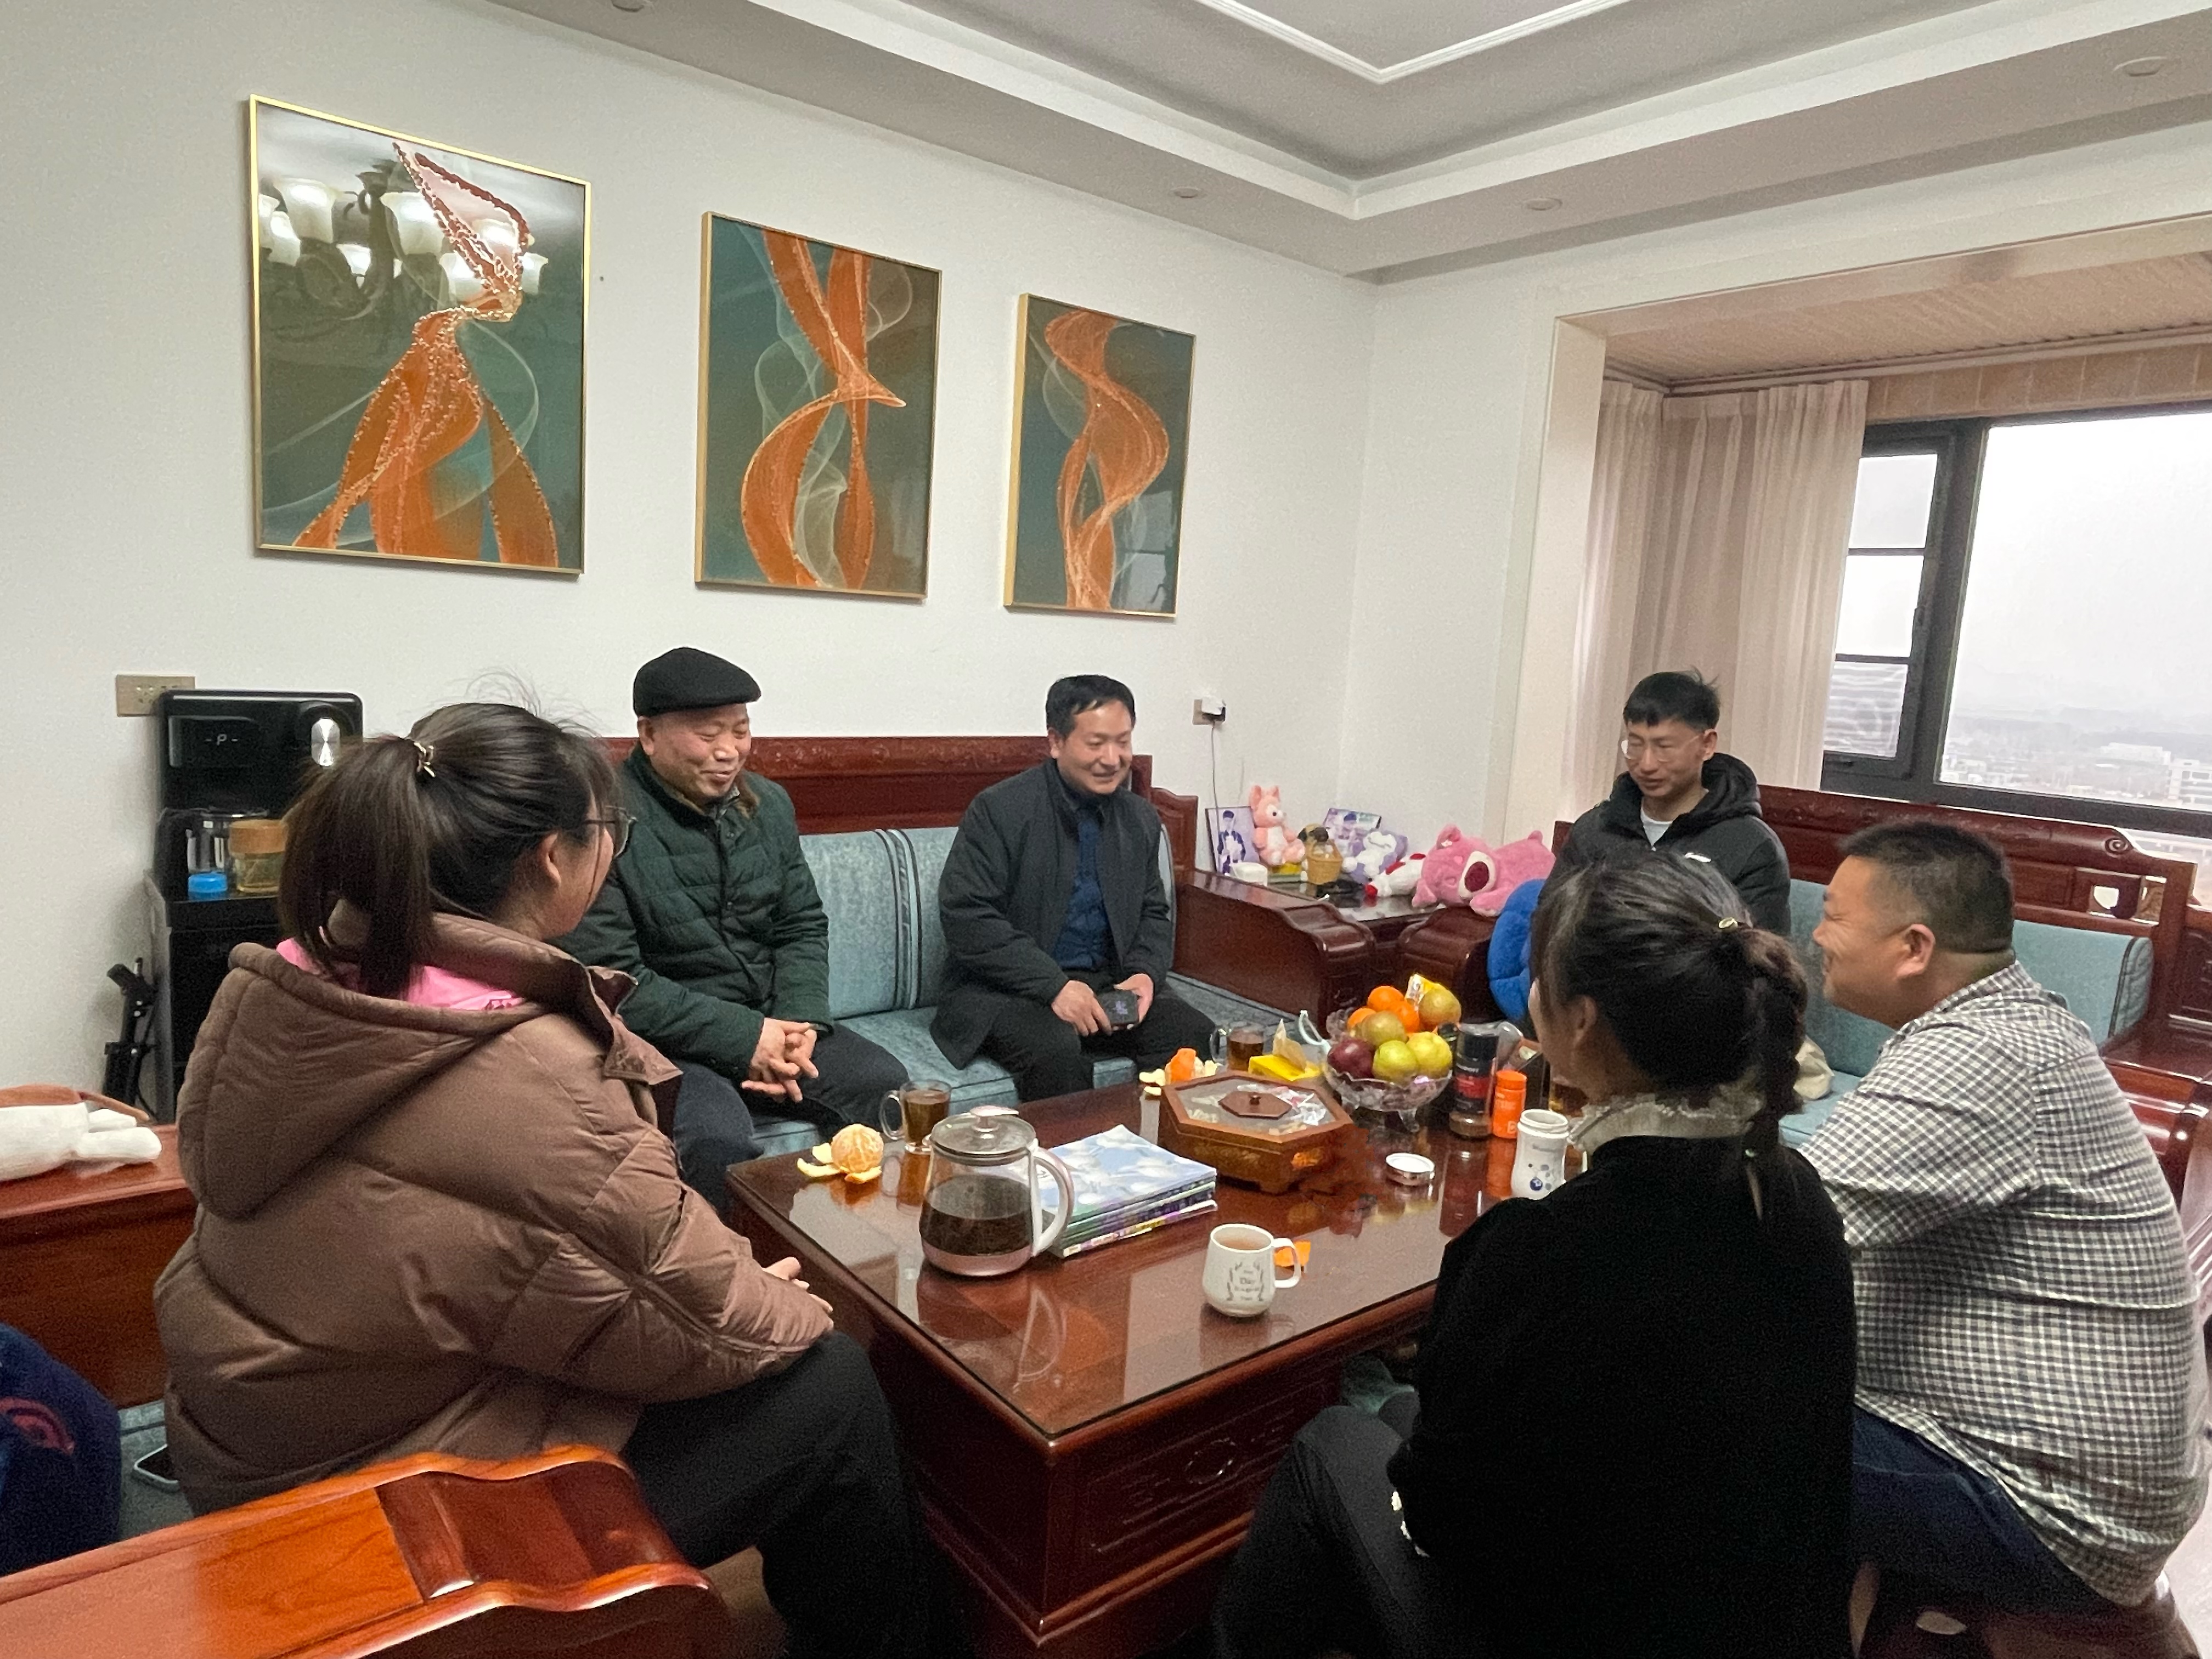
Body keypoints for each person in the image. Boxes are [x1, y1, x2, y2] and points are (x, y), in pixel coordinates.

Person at [154, 703, 943, 1659]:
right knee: (831, 1383)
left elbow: (551, 1257)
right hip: (377, 1495)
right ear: (552, 860)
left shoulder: (292, 976)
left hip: (251, 1438)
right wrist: (781, 1306)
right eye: (607, 831)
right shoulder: (532, 1069)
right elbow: (706, 1318)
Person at [1214, 857, 1856, 1659]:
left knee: (1336, 1442)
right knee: (1400, 1416)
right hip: (1764, 1621)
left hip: (1584, 1626)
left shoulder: (1544, 1250)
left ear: (1580, 1020)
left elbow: (1444, 1522)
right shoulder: (1795, 1194)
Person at [1803, 821, 2209, 1622]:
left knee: (1686, 1422)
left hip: (2052, 1512)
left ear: (1914, 947)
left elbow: (1775, 1225)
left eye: (1834, 916)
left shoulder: (1981, 1055)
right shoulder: (2008, 1025)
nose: (1817, 936)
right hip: (2075, 1479)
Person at [560, 647, 905, 1198]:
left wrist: (799, 1025)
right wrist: (745, 1037)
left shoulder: (768, 804)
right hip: (663, 1042)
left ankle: (861, 1239)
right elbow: (614, 977)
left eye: (741, 731)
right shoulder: (601, 821)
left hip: (771, 1018)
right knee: (713, 1140)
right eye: (708, 735)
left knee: (883, 1088)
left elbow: (800, 925)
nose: (729, 751)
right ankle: (734, 1257)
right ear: (648, 735)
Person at [933, 675, 1215, 1102]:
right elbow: (967, 917)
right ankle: (1081, 1148)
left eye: (1123, 742)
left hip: (1105, 988)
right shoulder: (1000, 810)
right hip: (1010, 993)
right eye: (1096, 743)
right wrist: (1054, 986)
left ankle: (1158, 1144)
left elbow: (1153, 913)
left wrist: (1144, 975)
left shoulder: (1139, 818)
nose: (1112, 759)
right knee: (1056, 1051)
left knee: (1191, 1035)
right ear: (1056, 741)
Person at [1555, 669, 1791, 934]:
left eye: (1664, 748)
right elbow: (1552, 924)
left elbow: (1760, 952)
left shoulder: (1750, 847)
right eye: (1635, 745)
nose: (1646, 764)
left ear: (1707, 744)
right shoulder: (1595, 831)